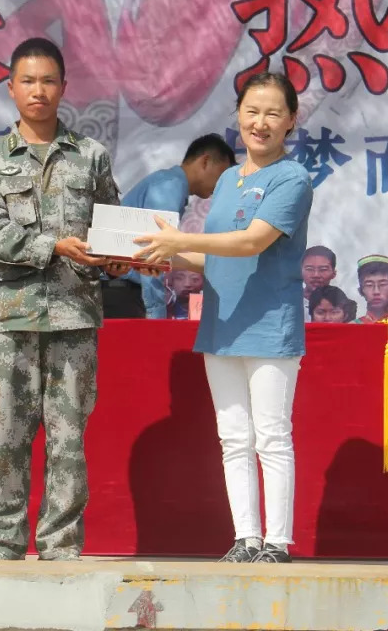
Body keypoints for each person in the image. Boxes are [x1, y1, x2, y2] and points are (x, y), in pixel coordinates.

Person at [134, 72, 313, 564]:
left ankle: (277, 542)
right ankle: (246, 537)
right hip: (222, 322)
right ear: (238, 115)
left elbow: (253, 241)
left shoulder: (291, 178)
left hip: (270, 324)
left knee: (271, 436)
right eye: (252, 111)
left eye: (273, 113)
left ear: (291, 120)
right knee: (233, 437)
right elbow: (214, 256)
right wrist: (162, 257)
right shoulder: (229, 180)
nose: (260, 122)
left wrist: (180, 240)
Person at [0, 37, 121, 561]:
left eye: (48, 81)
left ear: (64, 87)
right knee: (7, 437)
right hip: (11, 319)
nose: (39, 91)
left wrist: (125, 258)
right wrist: (54, 246)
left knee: (68, 439)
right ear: (11, 88)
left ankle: (61, 547)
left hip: (75, 316)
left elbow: (111, 229)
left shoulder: (91, 156)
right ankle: (3, 546)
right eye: (28, 81)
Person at [105, 134, 236, 319]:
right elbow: (152, 254)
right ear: (205, 161)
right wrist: (155, 315)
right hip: (122, 294)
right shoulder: (168, 187)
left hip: (122, 290)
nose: (221, 186)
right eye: (222, 176)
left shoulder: (169, 184)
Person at [353, 255, 388, 323]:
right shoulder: (352, 327)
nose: (376, 292)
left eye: (383, 284)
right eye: (369, 285)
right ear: (361, 290)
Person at [301, 245, 336, 316]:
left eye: (323, 269)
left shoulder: (342, 305)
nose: (316, 275)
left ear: (333, 274)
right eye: (309, 269)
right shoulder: (289, 304)